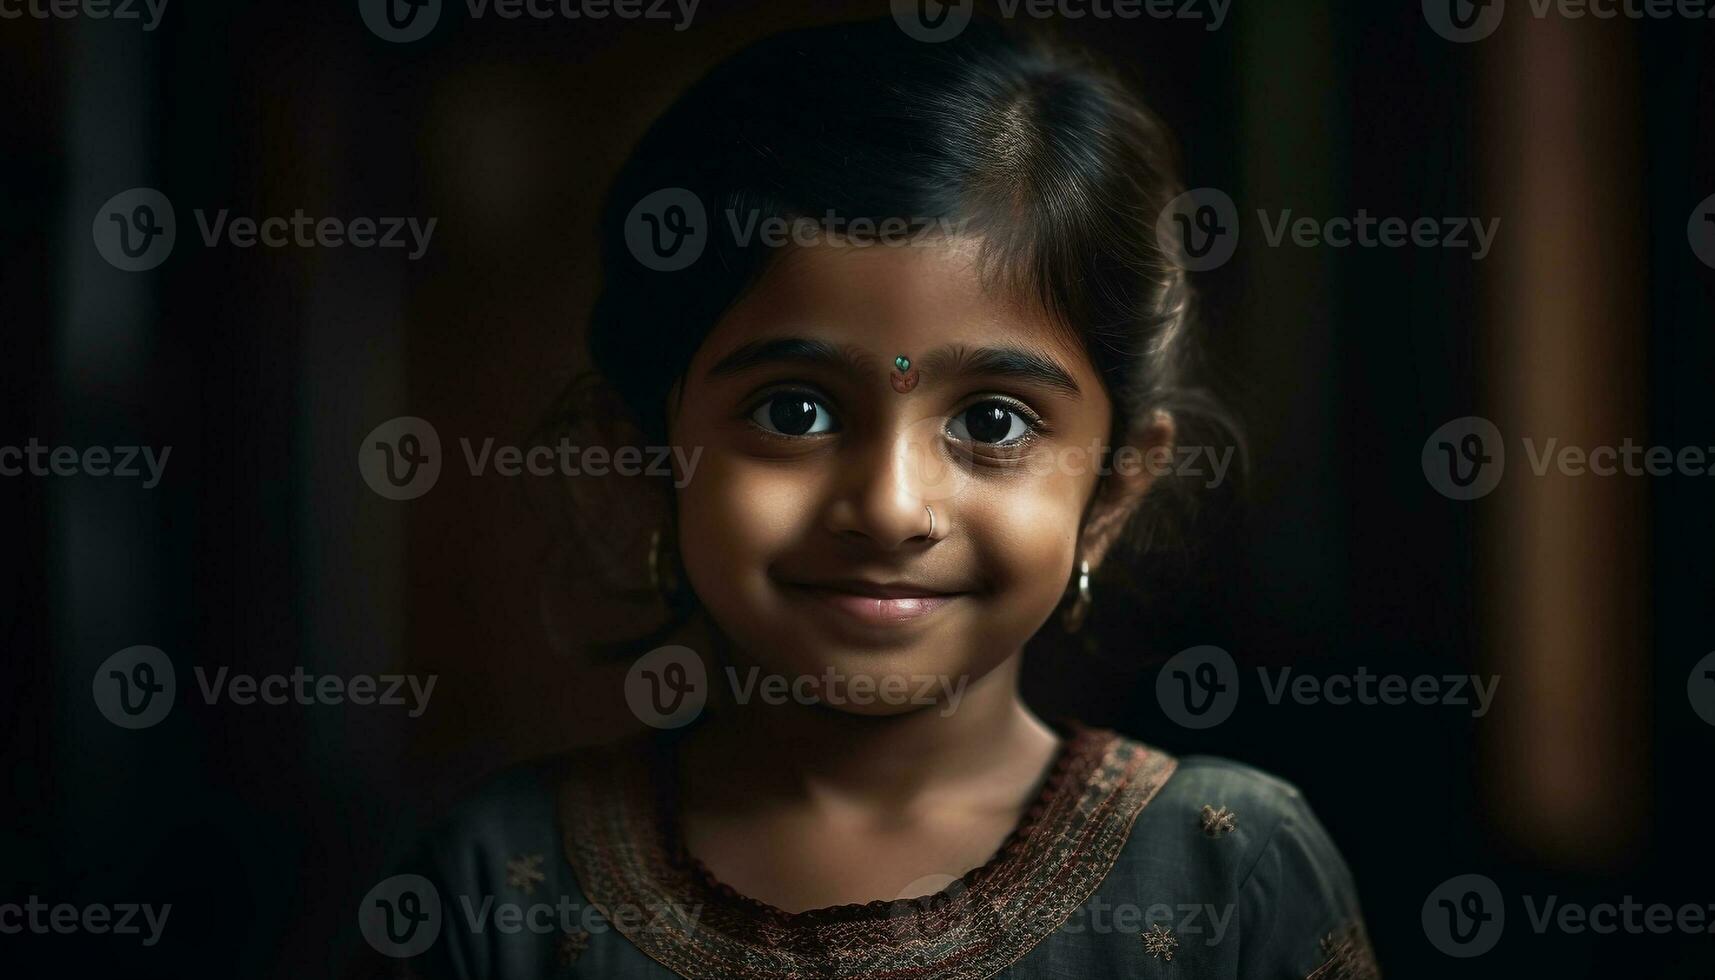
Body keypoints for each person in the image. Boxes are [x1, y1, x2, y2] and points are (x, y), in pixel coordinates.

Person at [388, 16, 1378, 979]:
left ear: (1112, 491)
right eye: (794, 410)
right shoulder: (501, 885)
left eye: (991, 422)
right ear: (642, 452)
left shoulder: (1225, 871)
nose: (891, 505)